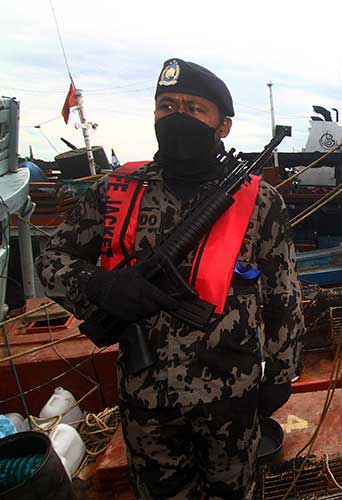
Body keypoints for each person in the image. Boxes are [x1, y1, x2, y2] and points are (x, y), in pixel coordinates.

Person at [37, 58, 304, 500]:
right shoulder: (116, 189)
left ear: (224, 126)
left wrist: (281, 372)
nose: (177, 117)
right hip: (147, 395)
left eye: (194, 109)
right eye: (167, 106)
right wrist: (99, 286)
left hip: (231, 392)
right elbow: (53, 258)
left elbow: (284, 296)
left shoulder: (258, 201)